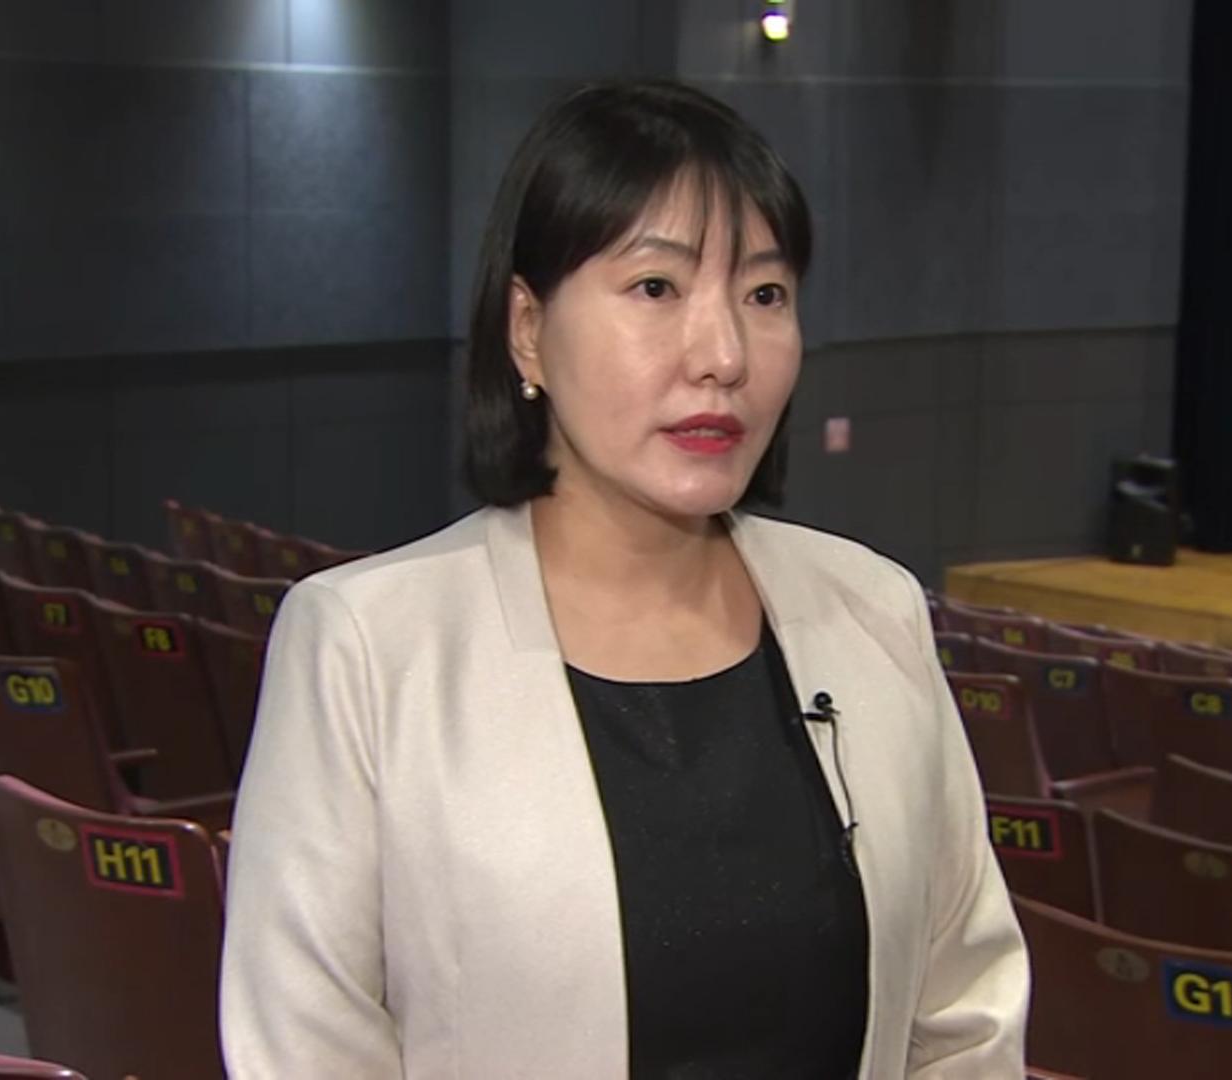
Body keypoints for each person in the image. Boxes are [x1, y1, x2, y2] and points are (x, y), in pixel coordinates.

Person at [220, 79, 1028, 1078]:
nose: (722, 355)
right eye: (656, 289)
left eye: (764, 295)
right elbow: (305, 1049)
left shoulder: (875, 611)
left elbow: (964, 1014)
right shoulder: (364, 648)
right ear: (528, 329)